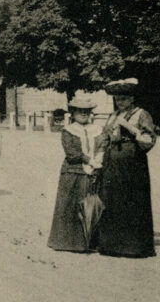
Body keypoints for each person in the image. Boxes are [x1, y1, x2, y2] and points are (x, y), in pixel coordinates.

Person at [98, 78, 156, 258]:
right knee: (112, 199)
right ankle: (111, 245)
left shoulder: (141, 114)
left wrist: (131, 128)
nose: (120, 102)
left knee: (131, 199)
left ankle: (133, 247)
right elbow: (104, 138)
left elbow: (149, 139)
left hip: (132, 163)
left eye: (123, 98)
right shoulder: (113, 115)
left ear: (131, 99)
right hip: (112, 163)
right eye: (117, 99)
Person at [47, 97, 105, 252]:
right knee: (72, 205)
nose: (84, 114)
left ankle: (91, 242)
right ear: (73, 113)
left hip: (94, 171)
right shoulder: (68, 131)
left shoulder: (98, 130)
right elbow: (72, 154)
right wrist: (90, 160)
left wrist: (99, 157)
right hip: (73, 172)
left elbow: (103, 144)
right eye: (80, 111)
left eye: (87, 111)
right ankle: (70, 242)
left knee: (92, 206)